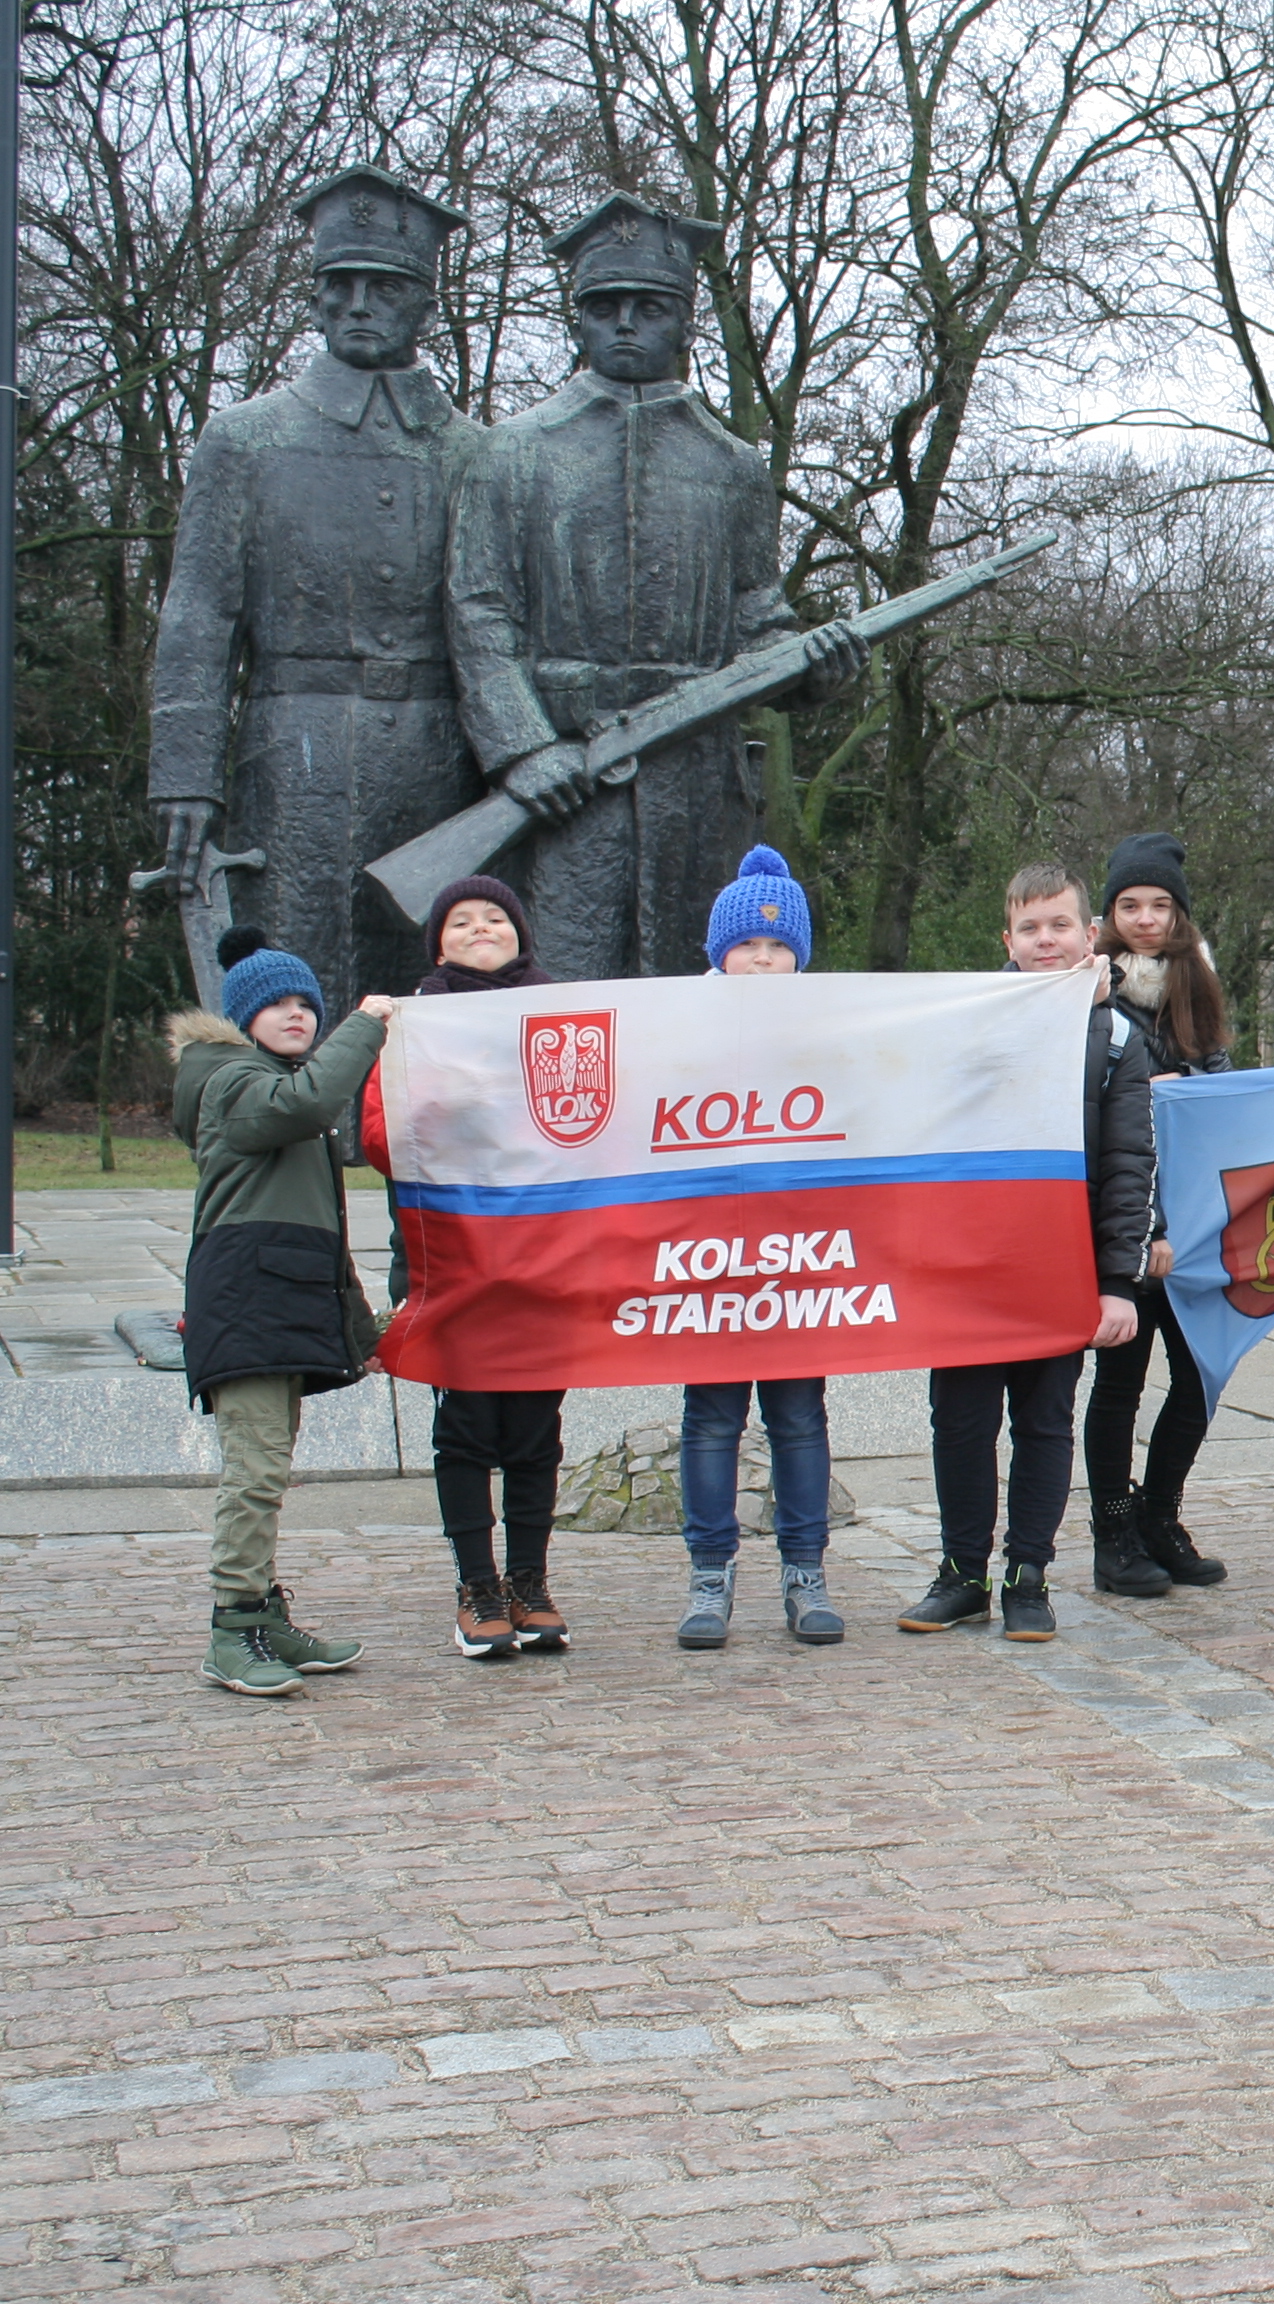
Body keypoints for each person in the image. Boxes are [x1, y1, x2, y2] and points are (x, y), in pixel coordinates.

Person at [446, 194, 860, 981]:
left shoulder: (732, 464)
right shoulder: (512, 452)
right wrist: (524, 749)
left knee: (701, 996)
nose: (626, 323)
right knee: (566, 1007)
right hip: (566, 779)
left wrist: (811, 665)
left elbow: (757, 618)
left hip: (700, 785)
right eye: (604, 307)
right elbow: (479, 614)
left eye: (650, 307)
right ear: (578, 320)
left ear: (685, 322)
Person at [148, 168, 485, 1011]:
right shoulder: (243, 440)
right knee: (297, 971)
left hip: (440, 759)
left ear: (426, 305)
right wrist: (186, 777)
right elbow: (197, 614)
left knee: (435, 975)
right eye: (341, 285)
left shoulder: (480, 453)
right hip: (290, 753)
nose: (361, 303)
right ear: (316, 299)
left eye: (387, 286)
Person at [899, 864, 1156, 1641]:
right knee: (961, 1423)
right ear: (1006, 940)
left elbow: (1128, 1168)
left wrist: (1118, 1283)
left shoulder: (1116, 1037)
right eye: (1031, 928)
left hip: (1062, 1266)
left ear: (1089, 935)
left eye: (1061, 925)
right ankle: (961, 1573)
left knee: (1044, 1423)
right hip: (971, 1266)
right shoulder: (961, 1022)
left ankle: (1028, 1575)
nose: (1047, 940)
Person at [168, 928, 394, 1694]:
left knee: (270, 1467)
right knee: (255, 1471)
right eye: (278, 1005)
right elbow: (307, 1101)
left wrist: (359, 1331)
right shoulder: (235, 1080)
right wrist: (364, 1025)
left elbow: (323, 1234)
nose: (297, 1015)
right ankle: (232, 1629)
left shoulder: (274, 1082)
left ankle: (263, 1615)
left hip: (280, 1297)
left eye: (308, 1004)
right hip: (244, 1299)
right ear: (244, 1018)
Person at [360, 875, 571, 1658]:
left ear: (519, 934)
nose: (481, 929)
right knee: (468, 1429)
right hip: (449, 1259)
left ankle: (530, 1582)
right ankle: (477, 1587)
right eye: (461, 921)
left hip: (544, 1261)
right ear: (438, 944)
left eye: (496, 918)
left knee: (534, 1430)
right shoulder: (411, 1025)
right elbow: (380, 1140)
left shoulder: (564, 1017)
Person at [676, 848, 844, 1647]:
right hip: (704, 1254)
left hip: (797, 1254)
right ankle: (711, 1577)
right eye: (750, 946)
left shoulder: (831, 1026)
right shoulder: (673, 1024)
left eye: (780, 948)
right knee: (710, 1418)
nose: (765, 960)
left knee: (798, 1416)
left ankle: (804, 1571)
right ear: (721, 952)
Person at [1082, 831, 1235, 1594]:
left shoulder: (1197, 989)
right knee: (1121, 1380)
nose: (1146, 919)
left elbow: (1227, 1094)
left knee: (1203, 1373)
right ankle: (1113, 1531)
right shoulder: (1087, 991)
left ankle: (1160, 1513)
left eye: (1161, 906)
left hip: (1201, 1218)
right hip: (1129, 1217)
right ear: (1110, 914)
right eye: (1130, 905)